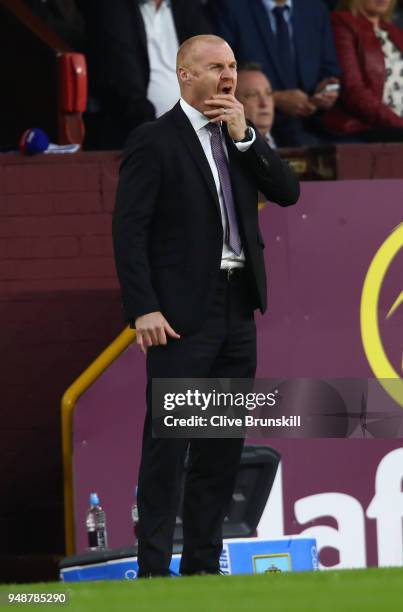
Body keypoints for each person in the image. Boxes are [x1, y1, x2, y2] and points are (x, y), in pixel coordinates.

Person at [112, 34, 299, 577]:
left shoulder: (238, 137)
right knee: (169, 448)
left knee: (221, 449)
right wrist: (142, 306)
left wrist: (246, 137)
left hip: (238, 308)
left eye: (233, 66)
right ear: (184, 74)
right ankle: (151, 569)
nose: (228, 76)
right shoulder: (155, 140)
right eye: (215, 66)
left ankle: (200, 565)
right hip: (179, 317)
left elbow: (287, 192)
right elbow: (130, 230)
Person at [80, 0, 212, 149]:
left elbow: (210, 63)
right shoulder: (113, 8)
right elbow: (125, 86)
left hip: (196, 133)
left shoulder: (187, 6)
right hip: (143, 137)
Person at [207, 0, 340, 147]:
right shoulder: (230, 7)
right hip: (253, 126)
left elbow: (330, 70)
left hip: (313, 125)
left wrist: (327, 90)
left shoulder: (315, 8)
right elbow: (218, 73)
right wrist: (274, 98)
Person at [323, 0, 403, 140]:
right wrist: (398, 124)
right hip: (369, 128)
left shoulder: (394, 31)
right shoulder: (342, 23)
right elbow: (353, 90)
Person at [236, 63, 277, 148]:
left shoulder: (293, 142)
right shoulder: (226, 151)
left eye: (268, 93)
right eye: (253, 95)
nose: (264, 103)